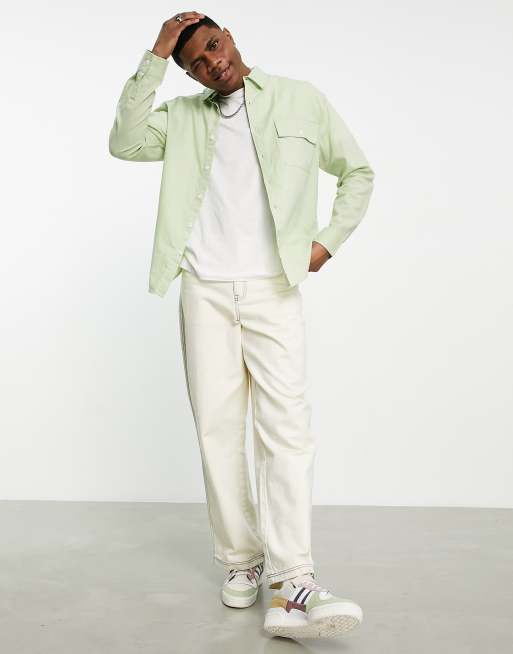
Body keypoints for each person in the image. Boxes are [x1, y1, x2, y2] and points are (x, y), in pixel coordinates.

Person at [109, 10, 374, 640]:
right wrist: (156, 54)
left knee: (286, 432)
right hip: (204, 291)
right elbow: (124, 140)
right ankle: (242, 559)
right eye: (196, 62)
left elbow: (358, 171)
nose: (212, 63)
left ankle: (293, 578)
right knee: (218, 432)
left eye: (213, 46)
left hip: (274, 288)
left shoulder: (300, 99)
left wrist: (327, 241)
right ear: (188, 73)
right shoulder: (181, 117)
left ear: (228, 36)